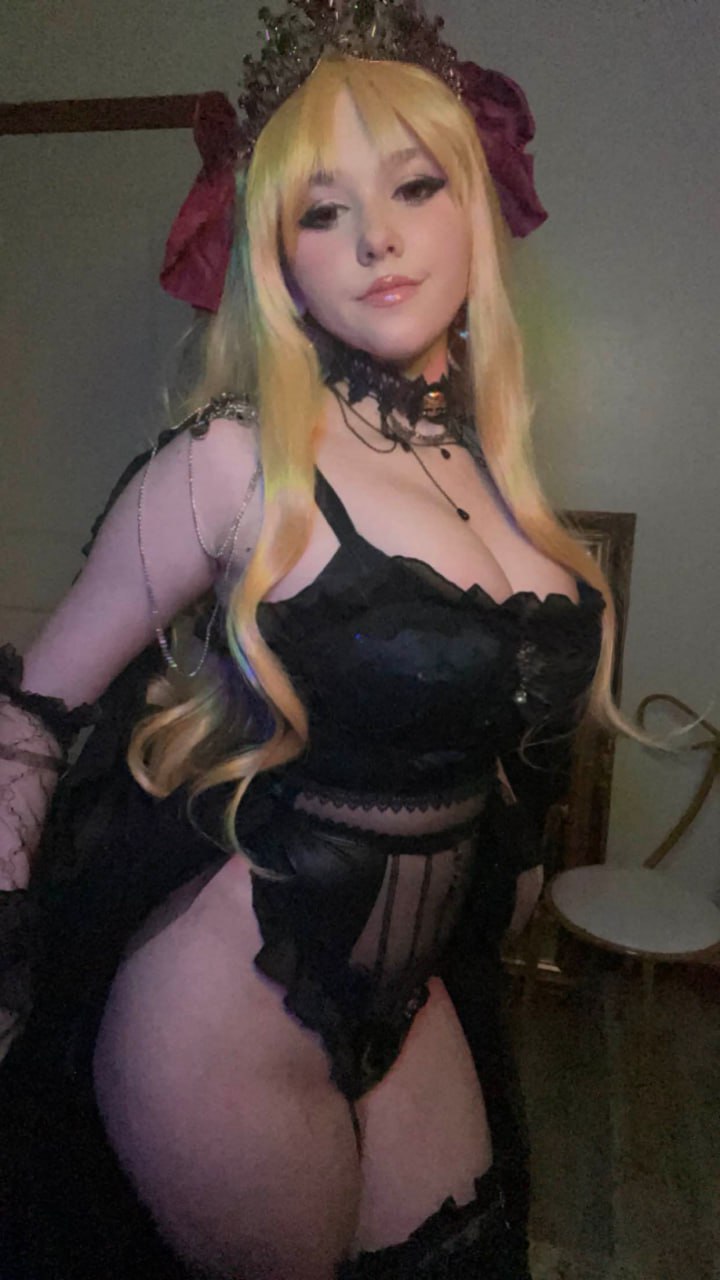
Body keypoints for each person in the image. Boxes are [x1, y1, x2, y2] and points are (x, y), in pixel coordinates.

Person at [0, 3, 616, 1276]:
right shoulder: (240, 461)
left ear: (474, 205)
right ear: (280, 257)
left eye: (413, 186)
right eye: (321, 211)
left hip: (418, 990)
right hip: (224, 1011)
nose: (375, 237)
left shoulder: (492, 474)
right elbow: (33, 713)